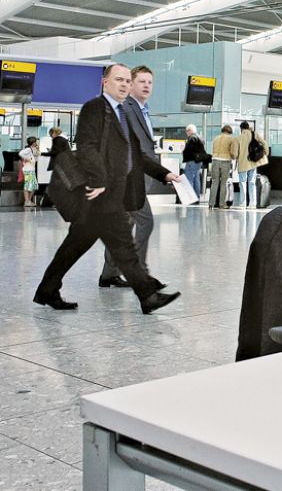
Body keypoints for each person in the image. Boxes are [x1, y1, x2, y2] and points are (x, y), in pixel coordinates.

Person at [32, 63, 181, 315]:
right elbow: (87, 145)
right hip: (101, 194)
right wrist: (99, 180)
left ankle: (47, 289)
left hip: (112, 193)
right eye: (118, 80)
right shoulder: (95, 108)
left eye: (126, 81)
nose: (124, 84)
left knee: (75, 246)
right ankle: (147, 296)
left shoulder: (121, 113)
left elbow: (137, 154)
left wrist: (163, 173)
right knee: (123, 246)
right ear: (105, 82)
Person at [99, 65, 165, 289]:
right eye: (141, 82)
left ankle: (109, 274)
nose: (146, 86)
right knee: (145, 221)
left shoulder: (143, 110)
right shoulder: (126, 108)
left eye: (150, 82)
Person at [234, 120, 269, 209]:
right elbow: (264, 143)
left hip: (242, 164)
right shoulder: (254, 134)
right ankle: (252, 204)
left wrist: (237, 156)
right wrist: (265, 153)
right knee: (252, 183)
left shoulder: (238, 138)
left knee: (242, 183)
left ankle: (243, 204)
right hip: (253, 163)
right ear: (248, 127)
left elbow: (234, 154)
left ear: (241, 128)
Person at [209, 125, 237, 209]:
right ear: (230, 132)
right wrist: (234, 157)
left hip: (215, 160)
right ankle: (221, 204)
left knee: (214, 182)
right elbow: (233, 152)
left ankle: (211, 204)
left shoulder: (216, 138)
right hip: (225, 161)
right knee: (223, 183)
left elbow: (213, 149)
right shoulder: (231, 139)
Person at [181, 124, 208, 204]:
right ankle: (197, 198)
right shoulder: (200, 138)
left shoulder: (192, 138)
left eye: (187, 132)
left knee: (189, 179)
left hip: (191, 161)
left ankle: (191, 199)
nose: (186, 134)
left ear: (189, 131)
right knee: (196, 179)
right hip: (198, 162)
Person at [18, 137, 40, 208]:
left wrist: (37, 149)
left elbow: (38, 155)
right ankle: (27, 201)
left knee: (33, 185)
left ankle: (28, 200)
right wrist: (26, 159)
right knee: (28, 185)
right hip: (28, 169)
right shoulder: (28, 149)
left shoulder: (33, 150)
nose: (36, 143)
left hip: (31, 169)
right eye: (35, 142)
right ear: (33, 143)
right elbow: (21, 153)